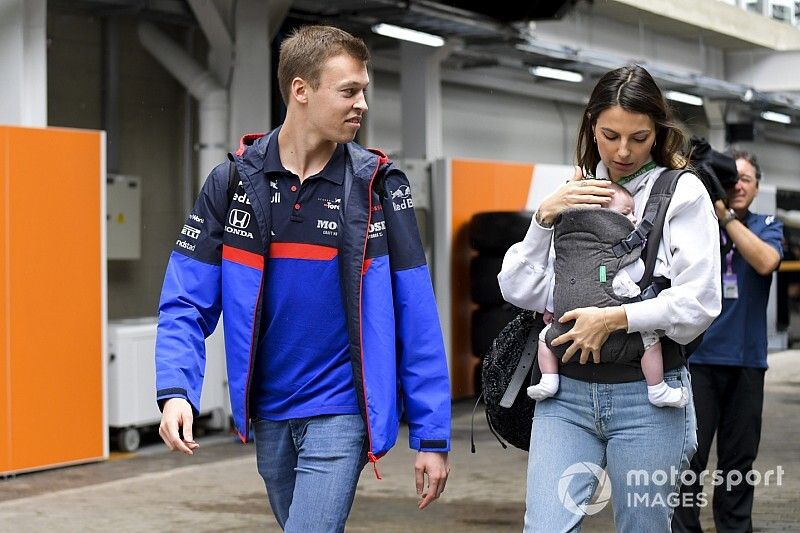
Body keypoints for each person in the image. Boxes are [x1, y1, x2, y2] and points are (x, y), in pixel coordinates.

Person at [154, 25, 451, 532]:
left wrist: (431, 436)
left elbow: (415, 315)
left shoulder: (379, 187)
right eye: (348, 91)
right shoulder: (233, 183)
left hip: (341, 410)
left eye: (364, 90)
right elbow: (185, 300)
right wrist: (177, 390)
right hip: (269, 415)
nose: (362, 104)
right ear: (300, 89)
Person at [498, 64, 721, 532]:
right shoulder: (571, 190)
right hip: (565, 396)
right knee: (544, 527)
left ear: (658, 132)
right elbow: (519, 290)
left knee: (642, 526)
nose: (623, 151)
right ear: (591, 128)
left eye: (638, 137)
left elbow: (700, 302)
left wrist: (617, 317)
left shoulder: (682, 192)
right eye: (610, 134)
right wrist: (542, 220)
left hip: (649, 401)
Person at [672, 151, 783, 533]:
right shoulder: (698, 225)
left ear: (756, 187)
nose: (737, 185)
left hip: (747, 364)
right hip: (698, 362)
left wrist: (727, 217)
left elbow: (766, 261)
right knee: (689, 461)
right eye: (729, 177)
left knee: (738, 463)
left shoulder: (766, 225)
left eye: (746, 179)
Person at [528, 183, 689, 409]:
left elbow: (558, 284)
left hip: (565, 337)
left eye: (633, 212)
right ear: (602, 216)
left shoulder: (568, 255)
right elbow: (638, 275)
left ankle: (548, 380)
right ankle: (657, 388)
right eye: (625, 213)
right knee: (650, 340)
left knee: (545, 337)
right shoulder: (621, 258)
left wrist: (550, 309)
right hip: (619, 339)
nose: (633, 219)